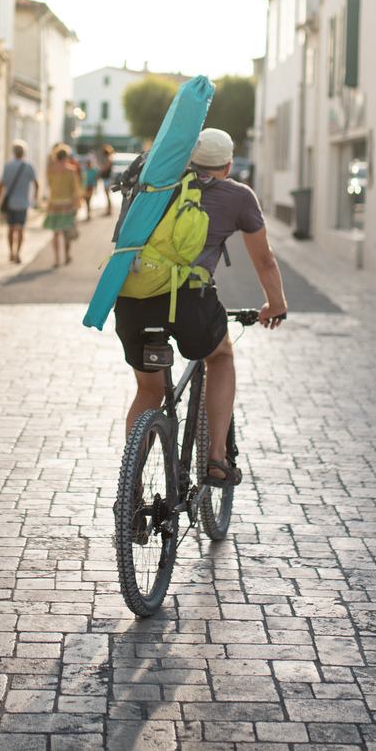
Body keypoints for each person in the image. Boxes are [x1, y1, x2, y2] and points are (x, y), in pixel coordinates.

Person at [115, 128, 286, 487]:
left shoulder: (155, 185)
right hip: (189, 301)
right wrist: (276, 303)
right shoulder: (238, 196)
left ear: (188, 160)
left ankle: (130, 486)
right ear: (228, 165)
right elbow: (265, 260)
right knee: (221, 356)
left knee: (148, 391)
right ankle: (217, 459)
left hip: (133, 298)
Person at [0, 141, 39, 264]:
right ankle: (18, 253)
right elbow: (36, 183)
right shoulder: (29, 167)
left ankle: (11, 252)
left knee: (11, 229)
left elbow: (1, 185)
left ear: (14, 153)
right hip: (23, 203)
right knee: (20, 229)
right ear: (24, 153)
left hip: (11, 202)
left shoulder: (8, 166)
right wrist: (35, 197)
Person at [42, 144, 84, 267]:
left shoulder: (50, 169)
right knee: (67, 233)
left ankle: (56, 259)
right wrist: (77, 204)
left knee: (55, 233)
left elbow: (49, 184)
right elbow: (75, 189)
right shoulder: (71, 170)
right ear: (66, 157)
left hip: (54, 204)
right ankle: (66, 256)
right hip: (67, 205)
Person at [79, 151, 99, 222]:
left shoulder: (94, 170)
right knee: (85, 201)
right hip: (85, 187)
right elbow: (83, 180)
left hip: (90, 187)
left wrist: (96, 188)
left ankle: (88, 214)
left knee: (88, 201)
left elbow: (96, 180)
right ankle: (88, 213)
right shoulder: (85, 170)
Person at [97, 145, 116, 216]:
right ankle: (109, 209)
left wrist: (100, 168)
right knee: (107, 195)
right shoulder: (109, 158)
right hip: (107, 178)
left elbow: (105, 168)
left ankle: (109, 209)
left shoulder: (108, 159)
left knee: (107, 194)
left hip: (107, 178)